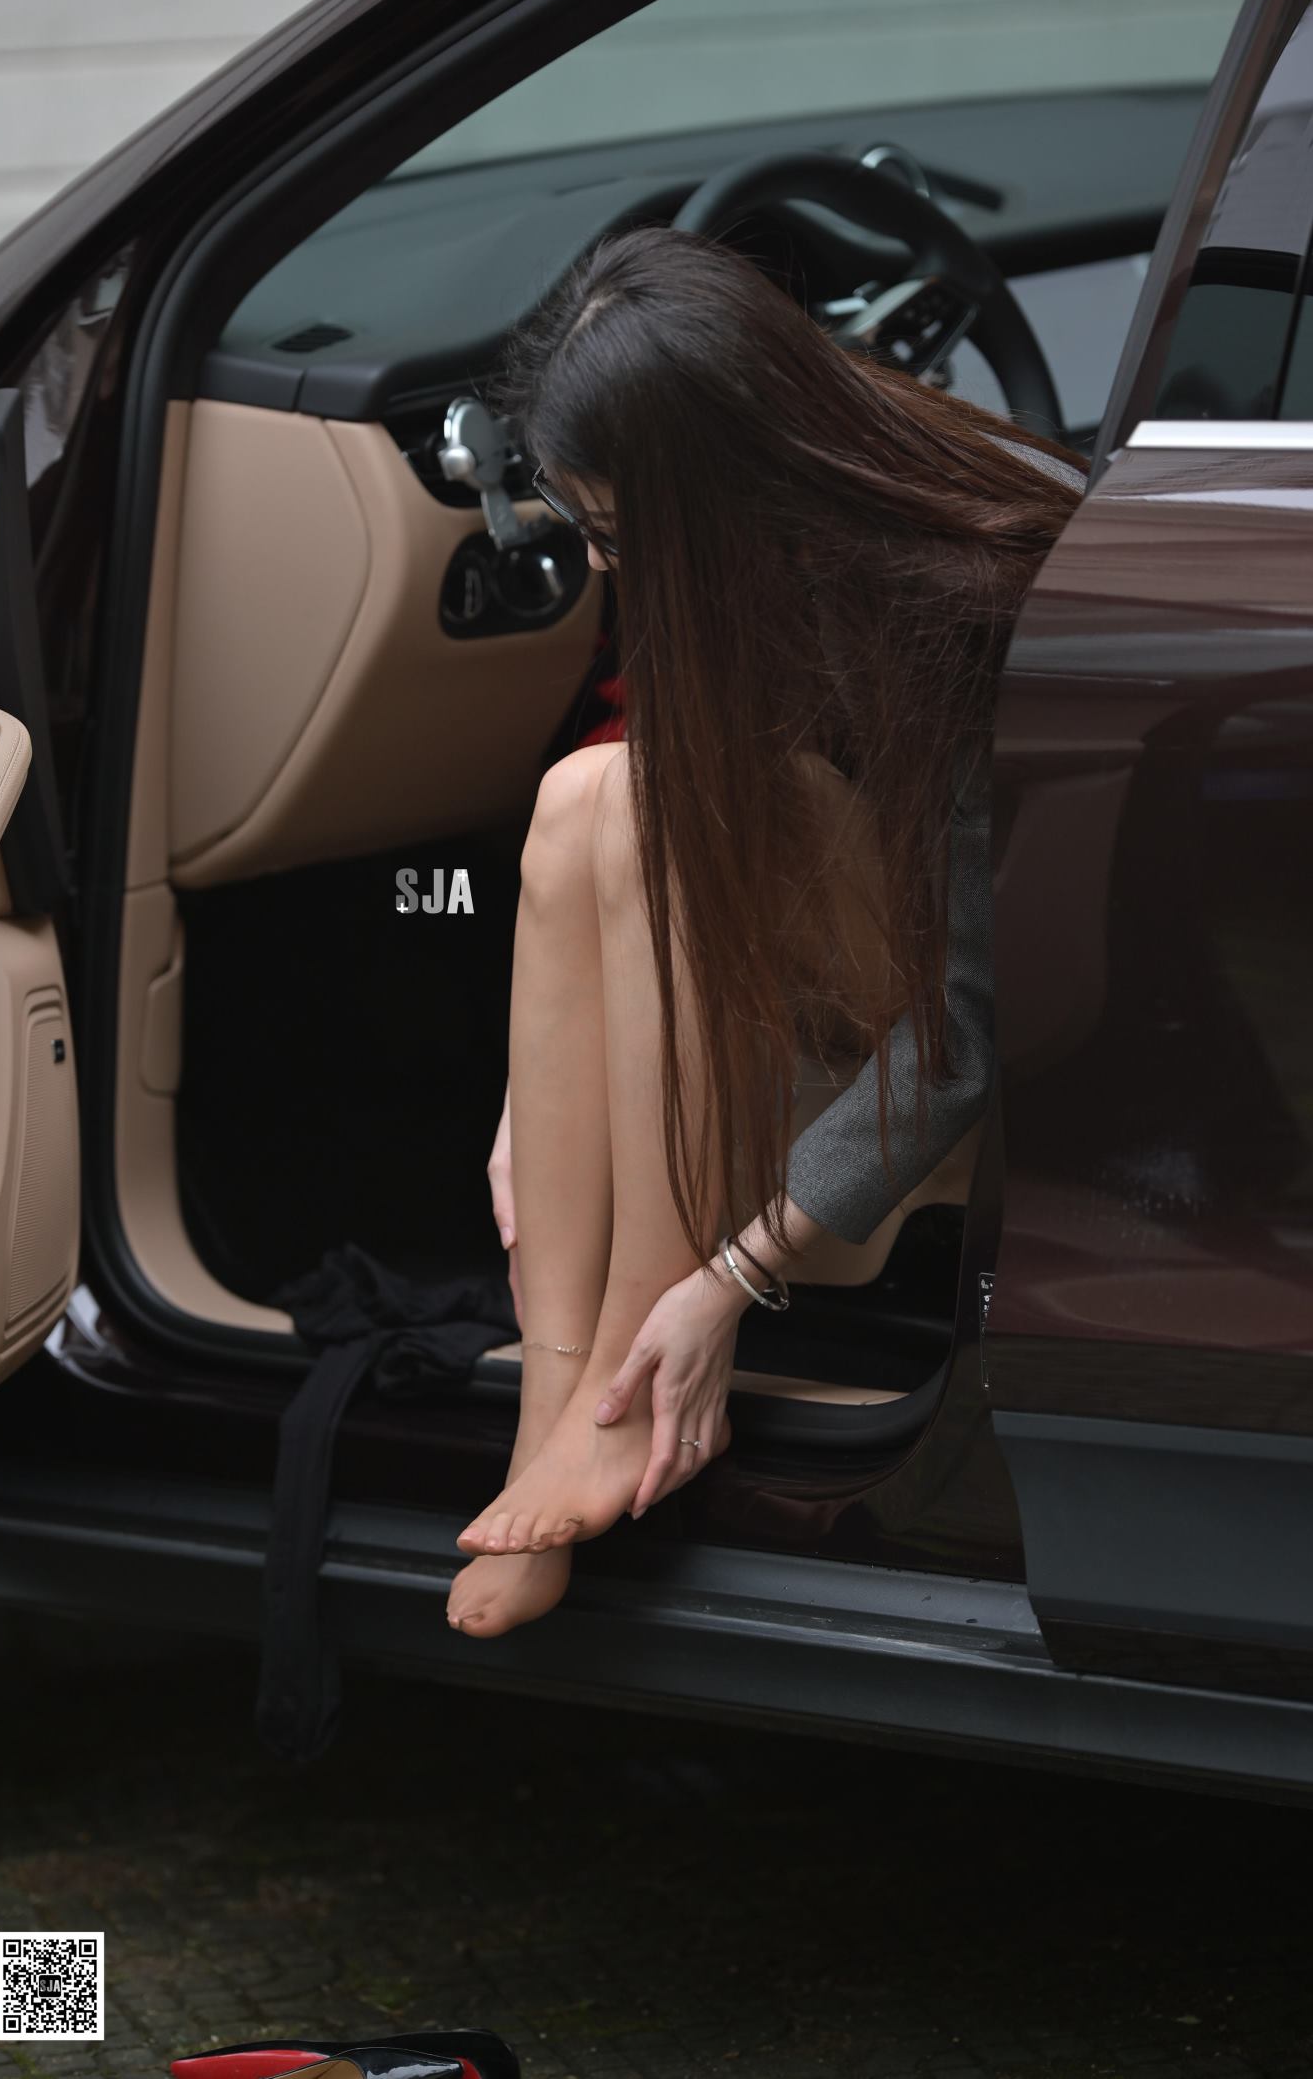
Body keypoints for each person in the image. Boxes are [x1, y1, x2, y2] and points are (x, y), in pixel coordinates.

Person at [447, 224, 1085, 1637]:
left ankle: (631, 1378)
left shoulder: (975, 595)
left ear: (716, 493)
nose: (599, 564)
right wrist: (525, 1111)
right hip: (848, 974)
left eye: (618, 535)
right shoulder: (769, 532)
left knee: (661, 802)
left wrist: (727, 1284)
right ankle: (555, 1416)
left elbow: (970, 1028)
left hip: (1002, 1049)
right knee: (580, 797)